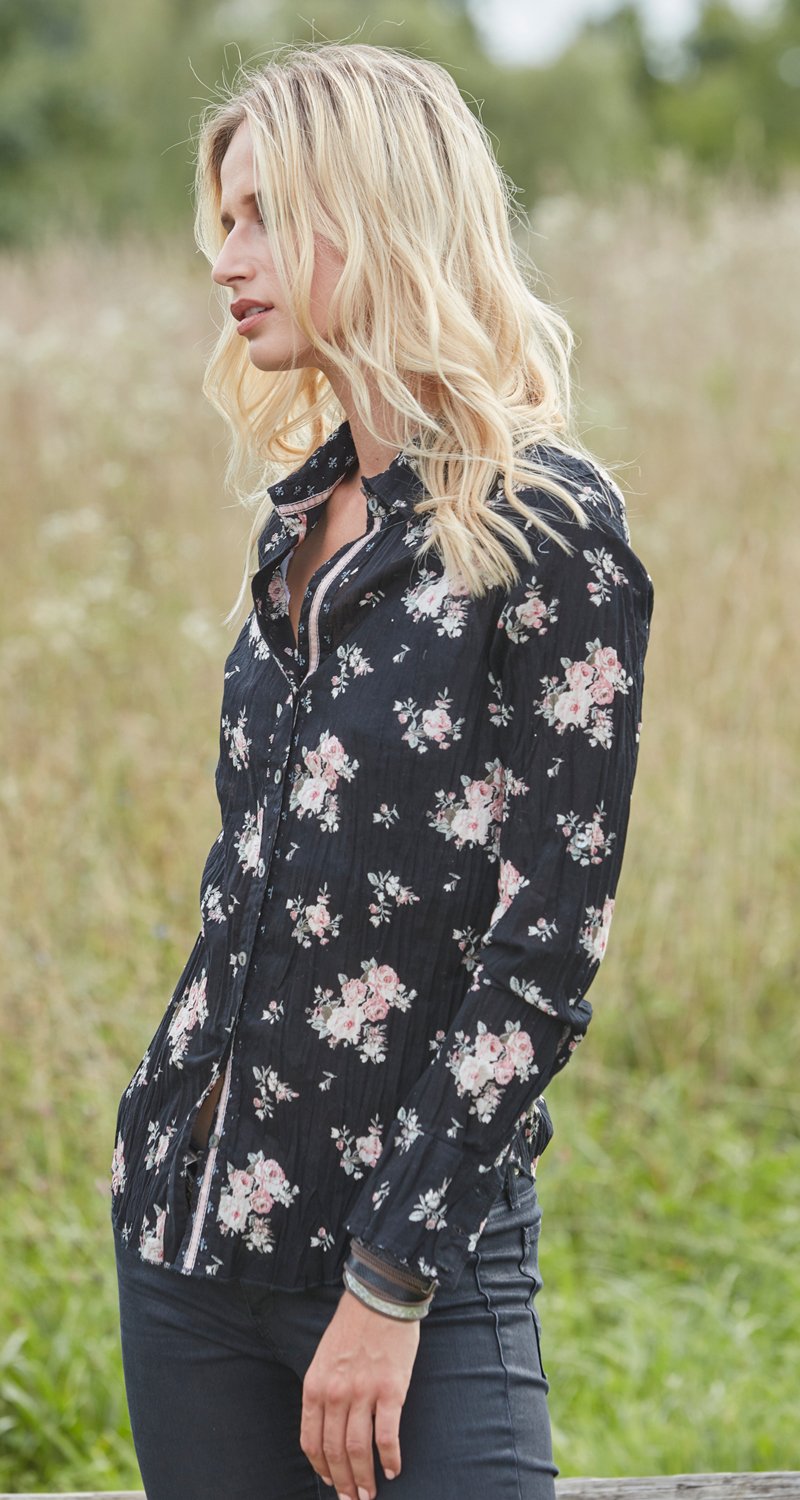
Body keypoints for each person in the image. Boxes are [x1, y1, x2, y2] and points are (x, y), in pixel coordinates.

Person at [110, 40, 654, 1500]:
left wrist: (389, 1284)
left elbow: (543, 955)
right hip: (189, 1238)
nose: (229, 258)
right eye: (222, 218)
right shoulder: (297, 523)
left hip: (416, 1252)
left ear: (387, 213)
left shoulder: (547, 526)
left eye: (266, 215)